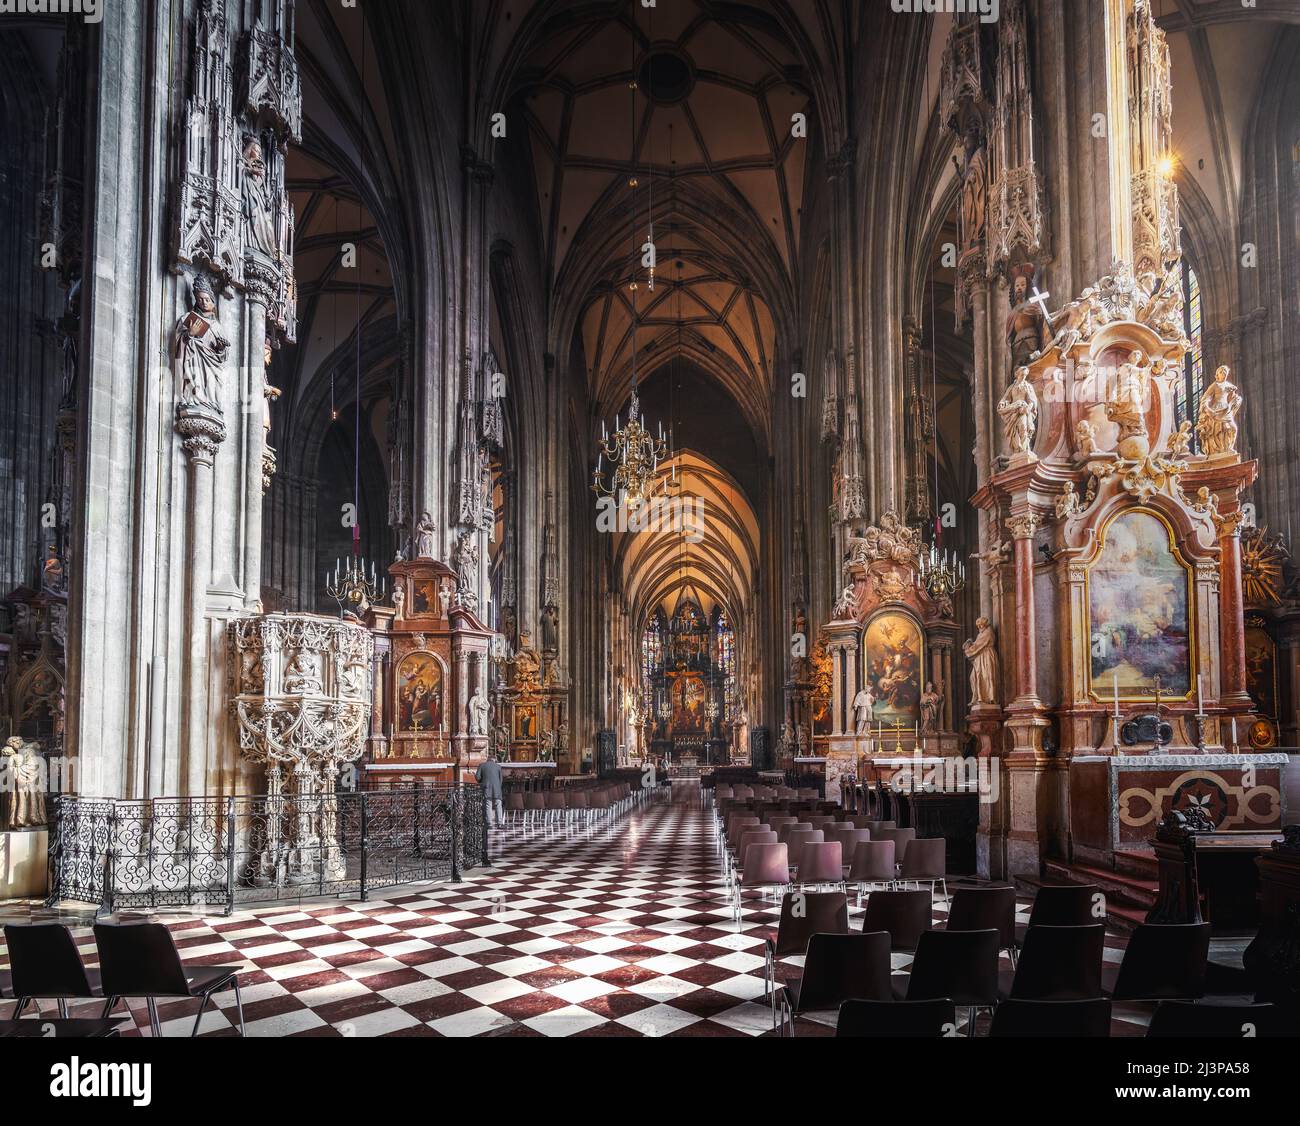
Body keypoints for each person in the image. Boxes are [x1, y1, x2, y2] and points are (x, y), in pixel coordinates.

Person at [476, 751, 504, 829]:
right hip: (497, 789)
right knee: (498, 805)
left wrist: (481, 782)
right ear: (494, 759)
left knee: (488, 805)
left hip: (487, 788)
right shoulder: (498, 766)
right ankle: (499, 823)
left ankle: (489, 824)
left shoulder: (482, 765)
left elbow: (477, 777)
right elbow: (501, 779)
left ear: (487, 759)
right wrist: (498, 786)